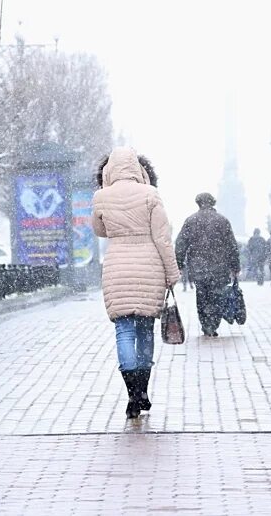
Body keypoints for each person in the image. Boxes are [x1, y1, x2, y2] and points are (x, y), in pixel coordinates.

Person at [91, 147, 180, 420]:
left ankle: (131, 393)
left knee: (124, 332)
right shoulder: (151, 195)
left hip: (117, 267)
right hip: (149, 267)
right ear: (139, 169)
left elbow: (99, 230)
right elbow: (163, 238)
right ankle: (142, 389)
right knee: (145, 330)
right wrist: (172, 274)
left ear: (109, 170)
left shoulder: (101, 197)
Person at [175, 193, 240, 338]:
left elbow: (181, 244)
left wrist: (179, 263)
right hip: (219, 267)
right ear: (213, 203)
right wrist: (235, 266)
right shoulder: (222, 221)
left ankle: (206, 324)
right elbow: (232, 245)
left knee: (202, 296)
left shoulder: (191, 221)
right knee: (217, 296)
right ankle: (213, 323)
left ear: (198, 203)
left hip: (198, 267)